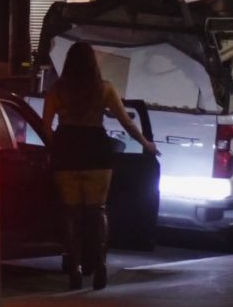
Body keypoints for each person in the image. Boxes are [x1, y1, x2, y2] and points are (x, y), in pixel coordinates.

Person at [42, 41, 159, 290]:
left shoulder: (57, 91)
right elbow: (126, 122)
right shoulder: (104, 89)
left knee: (71, 213)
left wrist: (57, 145)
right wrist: (146, 144)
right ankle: (101, 266)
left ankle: (74, 269)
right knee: (98, 211)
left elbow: (45, 126)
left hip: (67, 150)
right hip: (96, 148)